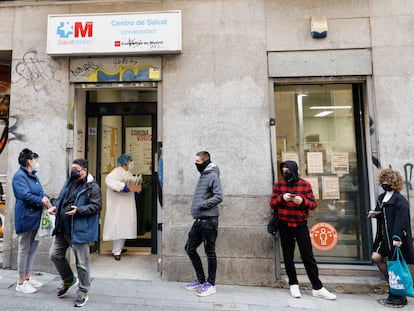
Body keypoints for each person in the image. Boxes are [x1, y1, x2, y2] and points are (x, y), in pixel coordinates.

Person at [269, 160, 336, 300]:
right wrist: (282, 198)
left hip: (300, 225)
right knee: (288, 256)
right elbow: (273, 203)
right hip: (284, 224)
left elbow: (313, 204)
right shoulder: (279, 185)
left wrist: (302, 201)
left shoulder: (305, 185)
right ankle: (293, 283)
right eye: (283, 171)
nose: (285, 173)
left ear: (294, 170)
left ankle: (317, 287)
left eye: (288, 171)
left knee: (308, 256)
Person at [48, 159, 102, 307]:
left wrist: (79, 210)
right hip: (62, 228)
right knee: (54, 254)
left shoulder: (92, 187)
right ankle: (68, 279)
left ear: (84, 170)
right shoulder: (69, 182)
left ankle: (83, 291)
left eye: (76, 169)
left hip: (78, 230)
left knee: (82, 264)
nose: (73, 171)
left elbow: (96, 206)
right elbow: (62, 199)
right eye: (72, 168)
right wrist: (55, 207)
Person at [369, 168, 414, 306]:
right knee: (376, 257)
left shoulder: (400, 200)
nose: (384, 183)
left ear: (394, 182)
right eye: (383, 180)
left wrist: (397, 238)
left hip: (395, 240)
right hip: (384, 238)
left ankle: (398, 294)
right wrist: (375, 214)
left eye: (387, 180)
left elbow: (402, 221)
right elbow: (382, 214)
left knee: (397, 265)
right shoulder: (382, 198)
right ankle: (394, 285)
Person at [12, 148, 51, 293]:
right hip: (25, 217)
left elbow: (40, 192)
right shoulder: (19, 176)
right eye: (36, 160)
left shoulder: (32, 175)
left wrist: (46, 200)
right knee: (24, 249)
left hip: (35, 217)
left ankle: (27, 277)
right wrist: (41, 201)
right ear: (29, 161)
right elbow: (24, 195)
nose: (37, 163)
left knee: (33, 248)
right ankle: (21, 282)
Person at [184, 151, 223, 297]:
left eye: (198, 162)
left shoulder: (212, 175)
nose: (196, 164)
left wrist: (202, 204)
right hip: (200, 220)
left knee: (210, 252)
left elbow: (219, 196)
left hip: (209, 220)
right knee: (189, 248)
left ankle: (211, 284)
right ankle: (201, 280)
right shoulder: (204, 175)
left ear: (205, 162)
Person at [103, 154, 141, 260]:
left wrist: (136, 188)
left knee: (125, 226)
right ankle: (116, 251)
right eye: (130, 161)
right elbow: (109, 180)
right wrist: (123, 187)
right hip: (118, 205)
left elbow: (131, 184)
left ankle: (120, 248)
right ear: (125, 163)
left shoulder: (128, 172)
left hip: (126, 203)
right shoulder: (116, 171)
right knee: (118, 227)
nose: (132, 163)